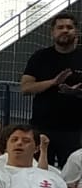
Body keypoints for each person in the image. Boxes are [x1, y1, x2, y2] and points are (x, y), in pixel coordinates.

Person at [20, 11, 82, 168]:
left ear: (76, 32)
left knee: (70, 175)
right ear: (52, 32)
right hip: (42, 127)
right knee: (37, 172)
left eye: (69, 27)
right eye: (60, 27)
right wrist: (53, 82)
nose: (65, 30)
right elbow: (26, 88)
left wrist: (76, 92)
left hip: (75, 130)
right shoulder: (40, 57)